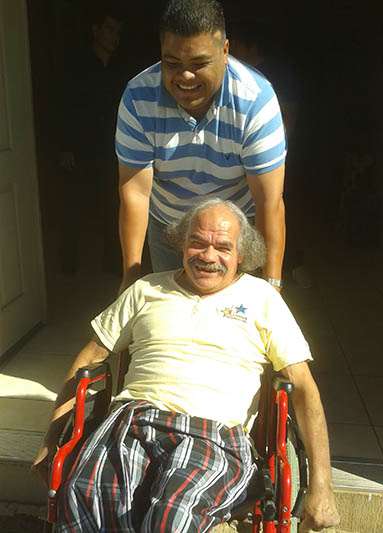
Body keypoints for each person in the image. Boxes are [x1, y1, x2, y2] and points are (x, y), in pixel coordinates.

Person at [33, 199, 340, 532]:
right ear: (181, 244)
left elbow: (304, 389)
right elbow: (88, 359)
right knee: (89, 495)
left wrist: (322, 486)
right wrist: (51, 441)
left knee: (173, 517)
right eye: (197, 242)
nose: (208, 256)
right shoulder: (146, 289)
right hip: (131, 421)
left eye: (223, 247)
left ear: (242, 254)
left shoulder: (262, 298)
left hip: (214, 434)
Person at [117, 0, 286, 293]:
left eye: (199, 64)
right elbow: (135, 194)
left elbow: (268, 201)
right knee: (171, 309)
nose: (185, 76)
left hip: (233, 231)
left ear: (225, 52)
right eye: (172, 63)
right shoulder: (138, 97)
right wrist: (130, 278)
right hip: (170, 227)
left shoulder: (256, 101)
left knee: (233, 311)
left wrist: (272, 288)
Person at [229, 22, 313, 289]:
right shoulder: (230, 75)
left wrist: (275, 152)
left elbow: (289, 115)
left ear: (247, 45)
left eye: (235, 43)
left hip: (273, 156)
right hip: (238, 160)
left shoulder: (275, 74)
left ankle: (290, 267)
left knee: (276, 209)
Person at [58, 2, 126, 276]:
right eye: (110, 29)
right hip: (82, 148)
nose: (114, 36)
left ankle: (112, 263)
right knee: (75, 205)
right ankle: (67, 263)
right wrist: (64, 146)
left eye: (118, 31)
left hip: (111, 148)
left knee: (113, 205)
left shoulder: (120, 69)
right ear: (95, 30)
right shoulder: (77, 67)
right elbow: (62, 107)